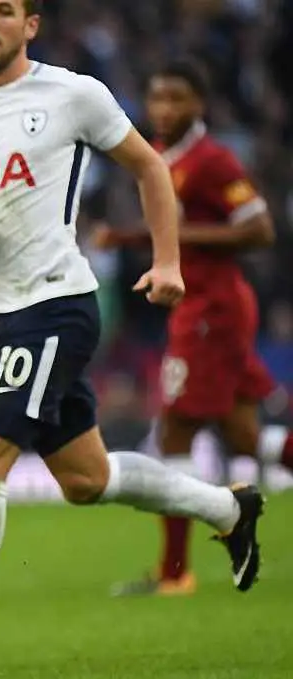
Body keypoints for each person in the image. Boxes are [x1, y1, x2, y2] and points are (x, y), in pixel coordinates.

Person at [0, 0, 265, 662]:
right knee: (86, 478)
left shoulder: (73, 94)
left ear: (30, 25)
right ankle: (229, 509)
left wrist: (167, 262)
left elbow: (150, 166)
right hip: (5, 315)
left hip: (58, 304)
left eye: (4, 11)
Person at [91, 61, 292, 597]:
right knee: (245, 436)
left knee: (174, 433)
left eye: (177, 98)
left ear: (200, 104)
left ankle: (175, 572)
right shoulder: (159, 154)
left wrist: (175, 236)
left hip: (212, 311)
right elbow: (169, 231)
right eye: (157, 98)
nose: (164, 109)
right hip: (200, 308)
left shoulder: (212, 161)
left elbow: (260, 229)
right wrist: (132, 237)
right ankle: (175, 570)